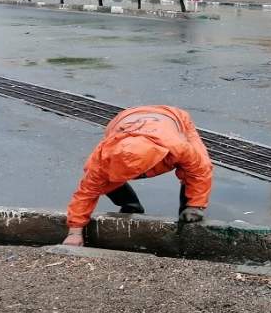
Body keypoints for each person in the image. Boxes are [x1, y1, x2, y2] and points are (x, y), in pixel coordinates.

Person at [63, 105, 213, 246]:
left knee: (194, 170)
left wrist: (195, 205)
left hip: (173, 118)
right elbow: (86, 193)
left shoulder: (178, 147)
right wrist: (74, 232)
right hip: (124, 119)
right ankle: (131, 206)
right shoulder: (102, 159)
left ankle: (188, 216)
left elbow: (200, 171)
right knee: (102, 181)